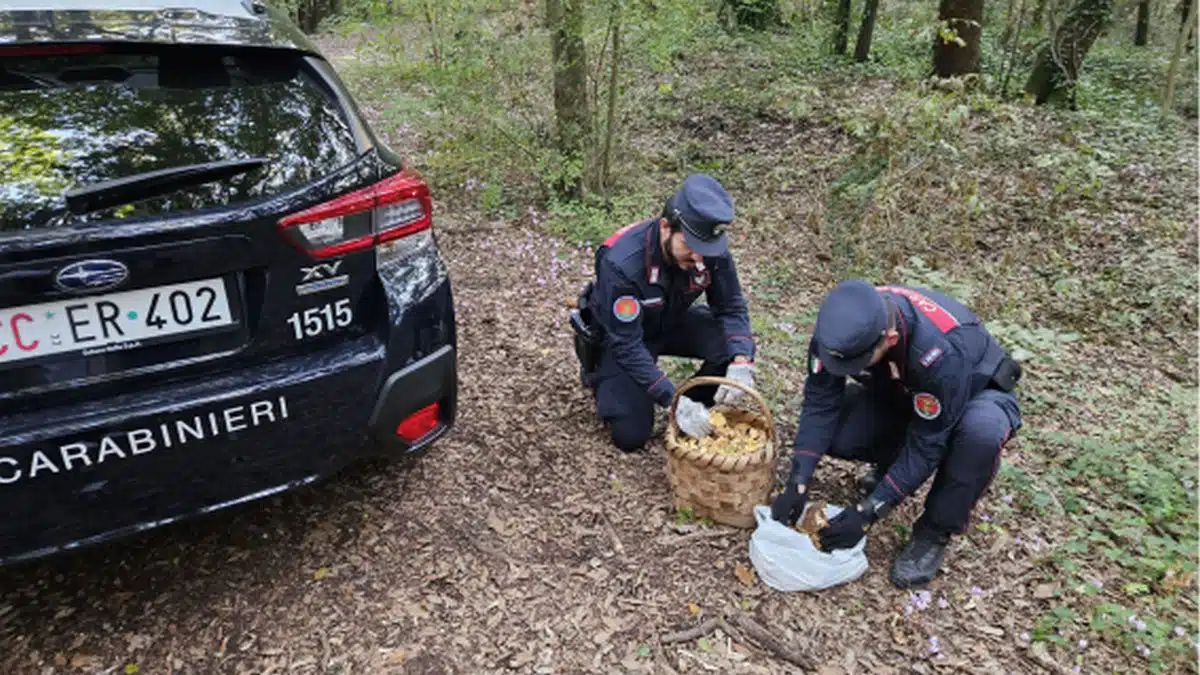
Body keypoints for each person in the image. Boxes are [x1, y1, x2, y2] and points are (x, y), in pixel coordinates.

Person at [770, 279, 1022, 588]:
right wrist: (799, 479)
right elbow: (820, 401)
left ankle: (933, 532)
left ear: (888, 339)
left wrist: (870, 511)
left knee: (978, 437)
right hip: (904, 390)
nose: (845, 367)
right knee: (838, 431)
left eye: (856, 362)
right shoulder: (841, 327)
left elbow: (928, 442)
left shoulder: (939, 352)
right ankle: (890, 468)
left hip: (975, 394)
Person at [570, 174, 757, 452]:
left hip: (671, 320)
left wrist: (741, 360)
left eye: (706, 251)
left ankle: (694, 407)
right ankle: (600, 374)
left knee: (731, 345)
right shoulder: (622, 263)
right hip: (626, 338)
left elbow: (730, 306)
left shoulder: (708, 251)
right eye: (691, 248)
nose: (699, 259)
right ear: (666, 227)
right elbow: (627, 344)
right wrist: (671, 398)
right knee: (630, 437)